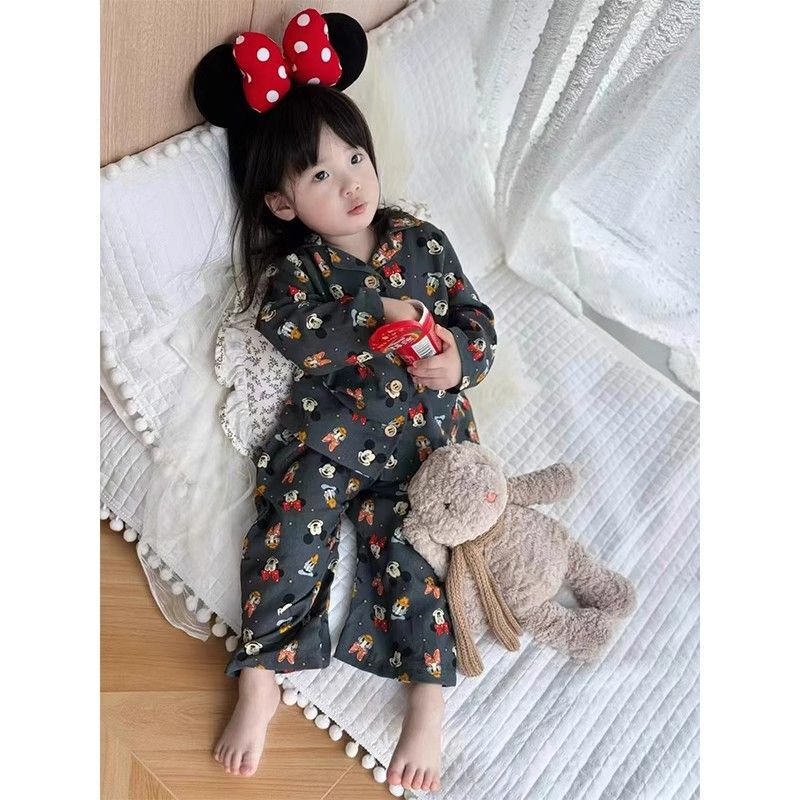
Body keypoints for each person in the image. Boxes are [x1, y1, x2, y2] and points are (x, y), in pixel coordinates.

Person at [192, 10, 496, 793]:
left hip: (426, 450)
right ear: (283, 204)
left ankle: (427, 699)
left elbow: (476, 318)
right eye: (321, 175)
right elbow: (295, 335)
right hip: (331, 440)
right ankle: (262, 674)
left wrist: (459, 358)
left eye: (355, 157)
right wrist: (374, 315)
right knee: (289, 530)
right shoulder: (299, 274)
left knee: (417, 557)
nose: (352, 181)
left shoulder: (423, 241)